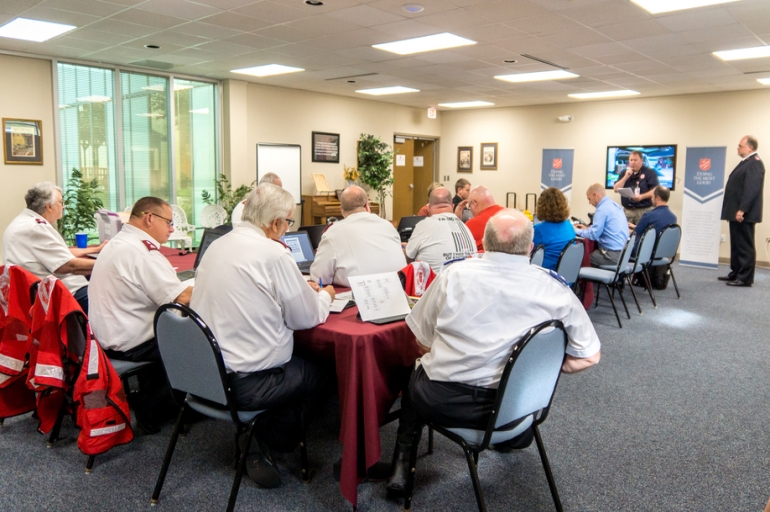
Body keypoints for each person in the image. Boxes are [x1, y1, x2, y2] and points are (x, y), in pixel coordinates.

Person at [386, 209, 601, 496]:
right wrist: (534, 366)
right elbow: (588, 355)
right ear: (530, 246)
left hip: (443, 403)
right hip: (518, 411)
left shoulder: (453, 275)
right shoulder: (556, 290)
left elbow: (421, 340)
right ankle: (510, 437)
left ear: (483, 243)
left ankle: (402, 465)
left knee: (416, 367)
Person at [190, 183, 335, 488]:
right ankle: (269, 437)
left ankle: (262, 429)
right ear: (274, 223)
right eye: (288, 222)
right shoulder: (273, 253)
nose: (287, 229)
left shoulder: (218, 245)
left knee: (296, 361)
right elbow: (306, 317)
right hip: (251, 384)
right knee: (327, 368)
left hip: (207, 375)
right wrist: (326, 296)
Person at [88, 196, 193, 433]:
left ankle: (154, 399)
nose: (172, 228)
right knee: (197, 339)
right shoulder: (142, 252)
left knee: (172, 325)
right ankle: (160, 408)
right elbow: (182, 297)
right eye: (168, 222)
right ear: (149, 218)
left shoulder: (119, 242)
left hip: (107, 336)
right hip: (131, 342)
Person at [2, 181, 104, 313]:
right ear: (48, 206)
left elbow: (59, 253)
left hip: (41, 292)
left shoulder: (24, 221)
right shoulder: (36, 228)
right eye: (61, 202)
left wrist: (95, 249)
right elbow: (68, 265)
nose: (63, 206)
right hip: (60, 294)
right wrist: (107, 263)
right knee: (110, 297)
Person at [310, 185, 406, 287]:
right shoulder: (388, 226)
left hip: (359, 296)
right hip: (399, 292)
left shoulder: (332, 233)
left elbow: (319, 277)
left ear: (341, 210)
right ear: (367, 206)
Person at [719, 135, 765, 287]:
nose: (738, 148)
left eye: (740, 146)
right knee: (736, 245)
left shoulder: (755, 163)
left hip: (744, 213)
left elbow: (751, 190)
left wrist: (742, 210)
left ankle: (745, 278)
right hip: (736, 212)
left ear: (750, 148)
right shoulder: (746, 162)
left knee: (745, 246)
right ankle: (736, 273)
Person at [406, 187, 476, 273]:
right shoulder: (464, 225)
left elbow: (408, 258)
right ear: (453, 206)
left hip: (436, 285)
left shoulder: (423, 226)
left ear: (428, 208)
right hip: (467, 282)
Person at [574, 184, 629, 266]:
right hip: (624, 254)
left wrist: (576, 230)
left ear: (595, 195)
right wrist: (587, 229)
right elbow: (605, 228)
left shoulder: (602, 209)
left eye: (589, 199)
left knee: (581, 258)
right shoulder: (615, 205)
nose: (589, 203)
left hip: (612, 255)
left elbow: (593, 235)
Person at [533, 187, 576, 270]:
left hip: (546, 275)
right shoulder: (569, 226)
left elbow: (529, 252)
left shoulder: (539, 230)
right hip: (566, 276)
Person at [613, 150, 660, 224]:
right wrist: (626, 176)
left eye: (635, 160)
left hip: (643, 211)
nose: (632, 162)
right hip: (627, 211)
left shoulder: (650, 173)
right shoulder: (624, 172)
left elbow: (654, 191)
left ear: (641, 160)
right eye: (631, 160)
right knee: (626, 234)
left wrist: (641, 197)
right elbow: (616, 189)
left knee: (641, 234)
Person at [628, 186, 677, 255]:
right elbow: (657, 230)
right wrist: (635, 226)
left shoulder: (649, 216)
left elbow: (635, 234)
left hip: (646, 253)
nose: (651, 199)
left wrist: (624, 230)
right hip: (662, 252)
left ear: (658, 198)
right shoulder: (673, 217)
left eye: (652, 197)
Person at [456, 185, 504, 252]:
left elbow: (457, 247)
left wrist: (457, 219)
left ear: (474, 203)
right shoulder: (512, 215)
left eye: (469, 206)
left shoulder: (472, 225)